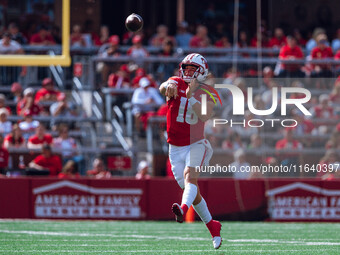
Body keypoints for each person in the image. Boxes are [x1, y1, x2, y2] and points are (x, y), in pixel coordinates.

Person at [159, 53, 222, 249]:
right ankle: (213, 226)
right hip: (174, 148)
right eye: (185, 68)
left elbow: (204, 115)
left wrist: (190, 97)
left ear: (201, 71)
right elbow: (163, 87)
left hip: (196, 143)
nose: (187, 72)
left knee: (190, 179)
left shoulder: (207, 91)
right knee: (191, 190)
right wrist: (166, 87)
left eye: (192, 69)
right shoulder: (176, 82)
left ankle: (182, 209)